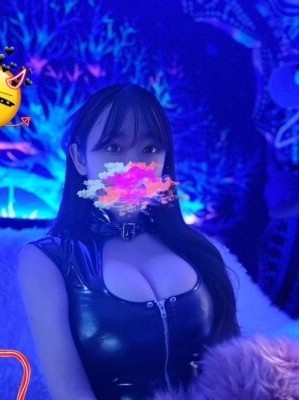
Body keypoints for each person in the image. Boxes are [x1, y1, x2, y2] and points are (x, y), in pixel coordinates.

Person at [17, 83, 241, 400]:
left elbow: (233, 372)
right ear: (79, 158)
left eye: (149, 149)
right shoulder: (47, 260)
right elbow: (70, 391)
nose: (133, 165)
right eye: (113, 147)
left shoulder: (196, 249)